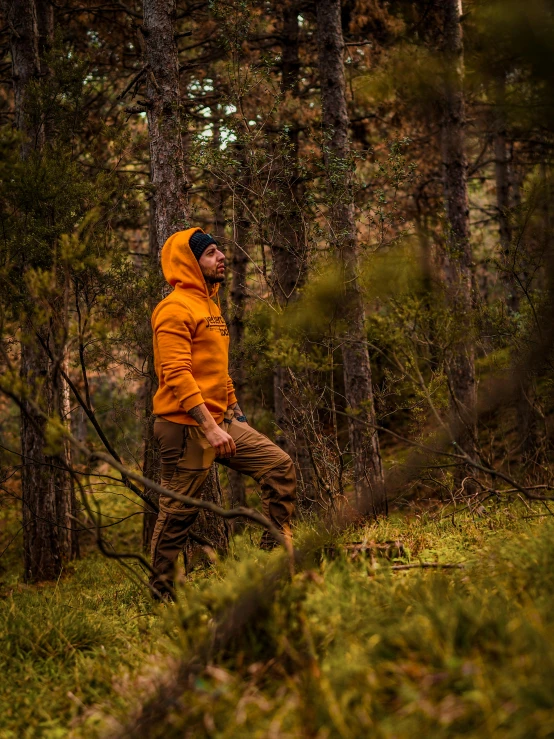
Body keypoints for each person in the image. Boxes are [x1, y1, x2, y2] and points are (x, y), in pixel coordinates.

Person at [149, 227, 296, 599]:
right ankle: (162, 594)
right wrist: (210, 427)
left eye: (219, 251)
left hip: (222, 419)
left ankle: (273, 561)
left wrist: (235, 412)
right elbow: (177, 375)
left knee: (278, 466)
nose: (221, 258)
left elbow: (217, 368)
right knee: (177, 513)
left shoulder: (211, 306)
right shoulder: (173, 308)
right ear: (190, 262)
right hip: (186, 428)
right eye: (211, 253)